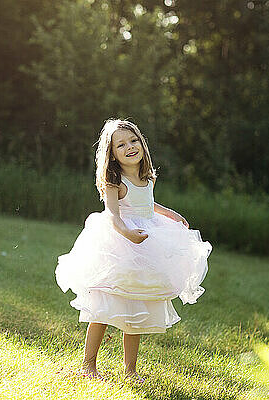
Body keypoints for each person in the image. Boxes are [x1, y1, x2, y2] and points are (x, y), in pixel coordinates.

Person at [55, 118, 212, 383]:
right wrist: (127, 233)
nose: (130, 147)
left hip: (145, 245)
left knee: (137, 306)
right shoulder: (115, 182)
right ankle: (89, 365)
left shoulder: (146, 177)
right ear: (112, 154)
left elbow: (148, 205)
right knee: (103, 306)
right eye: (121, 145)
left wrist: (170, 213)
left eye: (133, 141)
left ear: (142, 143)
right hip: (118, 245)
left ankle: (130, 370)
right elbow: (114, 216)